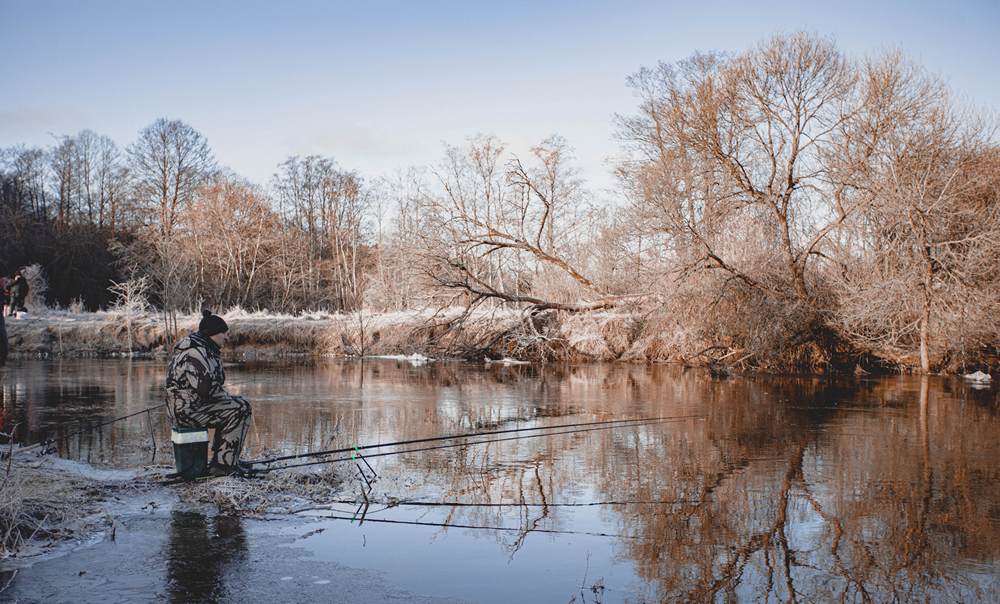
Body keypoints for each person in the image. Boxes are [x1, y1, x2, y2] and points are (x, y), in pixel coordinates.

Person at [165, 309, 253, 476]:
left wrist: (228, 398)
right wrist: (229, 398)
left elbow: (209, 387)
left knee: (237, 405)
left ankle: (226, 459)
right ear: (213, 334)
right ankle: (223, 466)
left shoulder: (204, 348)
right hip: (186, 411)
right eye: (224, 333)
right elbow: (207, 389)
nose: (227, 337)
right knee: (241, 408)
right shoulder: (195, 353)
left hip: (190, 407)